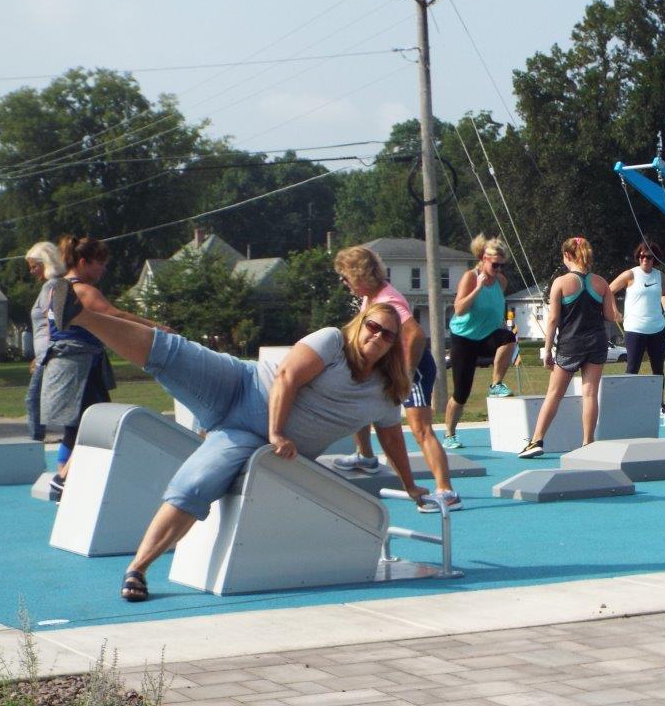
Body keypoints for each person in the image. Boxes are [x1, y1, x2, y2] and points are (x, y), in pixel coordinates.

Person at [47, 284, 428, 602]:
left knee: (194, 486)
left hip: (250, 438)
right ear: (359, 324)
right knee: (173, 353)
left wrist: (409, 484)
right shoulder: (331, 341)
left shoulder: (386, 391)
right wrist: (278, 431)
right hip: (239, 385)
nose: (378, 337)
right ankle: (80, 315)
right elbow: (287, 377)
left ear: (394, 345)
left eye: (388, 335)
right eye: (373, 327)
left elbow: (392, 437)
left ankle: (137, 570)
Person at [332, 246, 461, 512]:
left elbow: (416, 335)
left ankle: (447, 491)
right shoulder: (371, 297)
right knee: (358, 394)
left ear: (359, 275)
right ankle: (366, 456)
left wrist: (407, 372)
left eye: (346, 277)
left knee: (421, 429)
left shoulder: (388, 300)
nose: (344, 283)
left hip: (414, 367)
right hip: (391, 365)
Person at [42, 236, 169, 502]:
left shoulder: (55, 289)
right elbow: (115, 315)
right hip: (80, 369)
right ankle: (63, 479)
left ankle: (62, 476)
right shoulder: (82, 290)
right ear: (83, 262)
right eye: (99, 263)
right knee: (95, 425)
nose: (103, 269)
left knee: (75, 427)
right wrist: (156, 328)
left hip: (63, 366)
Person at [518, 237, 619, 458]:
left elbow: (553, 319)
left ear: (567, 255)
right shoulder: (601, 283)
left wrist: (547, 350)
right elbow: (610, 316)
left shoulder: (561, 282)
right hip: (597, 342)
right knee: (590, 394)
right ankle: (588, 442)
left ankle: (537, 440)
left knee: (554, 394)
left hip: (570, 343)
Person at [442, 235, 518, 449]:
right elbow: (459, 309)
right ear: (484, 259)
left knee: (508, 338)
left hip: (486, 336)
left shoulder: (501, 282)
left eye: (502, 265)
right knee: (461, 394)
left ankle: (496, 384)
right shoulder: (470, 277)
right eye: (495, 265)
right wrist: (478, 288)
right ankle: (449, 435)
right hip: (464, 339)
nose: (498, 269)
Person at [611, 242, 665, 393]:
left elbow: (664, 294)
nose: (645, 259)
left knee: (658, 370)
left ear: (654, 258)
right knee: (632, 368)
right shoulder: (630, 274)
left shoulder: (660, 275)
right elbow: (609, 290)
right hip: (635, 329)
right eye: (642, 256)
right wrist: (615, 311)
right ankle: (628, 400)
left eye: (649, 257)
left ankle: (658, 402)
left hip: (658, 329)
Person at [24, 241, 65, 443]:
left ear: (46, 263)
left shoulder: (54, 286)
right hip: (44, 355)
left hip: (50, 354)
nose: (31, 272)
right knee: (43, 399)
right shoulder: (48, 287)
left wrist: (45, 354)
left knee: (33, 399)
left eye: (34, 266)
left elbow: (55, 323)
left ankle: (36, 441)